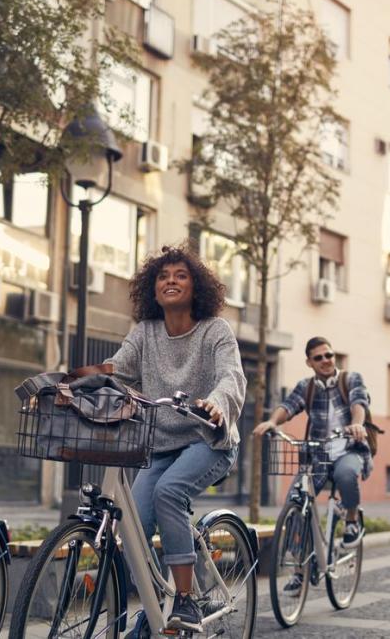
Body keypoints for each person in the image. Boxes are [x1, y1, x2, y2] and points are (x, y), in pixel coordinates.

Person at [104, 244, 246, 632]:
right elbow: (118, 369)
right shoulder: (145, 332)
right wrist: (74, 381)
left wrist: (217, 404)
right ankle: (153, 607)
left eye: (180, 275)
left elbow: (231, 376)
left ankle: (185, 602)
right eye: (163, 276)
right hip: (162, 445)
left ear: (196, 286)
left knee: (169, 492)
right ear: (153, 288)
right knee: (132, 524)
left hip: (209, 441)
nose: (171, 280)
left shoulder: (216, 330)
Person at [254, 336, 372, 570]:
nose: (326, 360)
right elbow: (288, 406)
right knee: (296, 502)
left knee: (346, 474)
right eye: (319, 358)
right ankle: (300, 565)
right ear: (309, 362)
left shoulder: (351, 379)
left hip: (348, 448)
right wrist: (272, 421)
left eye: (329, 355)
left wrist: (358, 424)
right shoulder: (306, 387)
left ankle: (351, 520)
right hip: (318, 455)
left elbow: (359, 405)